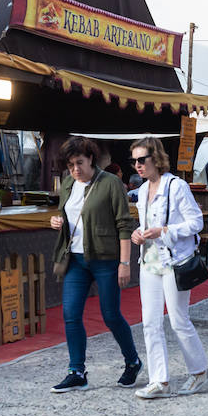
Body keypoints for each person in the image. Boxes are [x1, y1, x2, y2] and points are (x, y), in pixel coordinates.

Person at [48, 136, 141, 394]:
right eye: (70, 165)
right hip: (76, 259)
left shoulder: (110, 184)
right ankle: (76, 371)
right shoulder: (68, 184)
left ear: (91, 158)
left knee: (111, 315)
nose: (75, 169)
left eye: (79, 163)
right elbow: (68, 215)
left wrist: (125, 263)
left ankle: (132, 361)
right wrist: (58, 222)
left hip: (105, 259)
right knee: (71, 314)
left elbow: (124, 224)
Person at [129, 136, 208, 399]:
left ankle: (199, 371)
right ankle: (159, 380)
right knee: (150, 323)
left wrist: (165, 230)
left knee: (178, 320)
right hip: (149, 262)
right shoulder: (142, 191)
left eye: (142, 159)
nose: (138, 166)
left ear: (156, 158)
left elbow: (196, 222)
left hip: (174, 261)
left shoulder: (176, 186)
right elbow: (146, 225)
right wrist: (138, 234)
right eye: (134, 161)